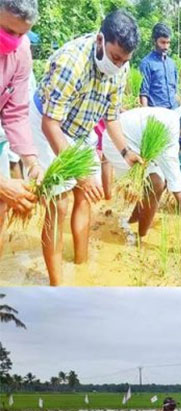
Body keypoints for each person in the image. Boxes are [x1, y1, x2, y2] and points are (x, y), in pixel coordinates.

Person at [33, 9, 141, 286]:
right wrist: (79, 172)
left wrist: (126, 152)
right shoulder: (72, 63)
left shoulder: (121, 69)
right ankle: (57, 286)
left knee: (85, 196)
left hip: (82, 129)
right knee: (59, 203)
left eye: (125, 60)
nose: (119, 66)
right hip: (49, 124)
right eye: (115, 58)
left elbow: (112, 116)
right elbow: (50, 125)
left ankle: (81, 266)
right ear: (100, 40)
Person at [105, 106, 181, 253]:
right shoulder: (169, 138)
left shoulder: (173, 123)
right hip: (117, 142)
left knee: (158, 182)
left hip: (131, 139)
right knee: (156, 183)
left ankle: (132, 221)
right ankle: (141, 240)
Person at [0, 0, 43, 253]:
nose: (14, 40)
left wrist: (32, 163)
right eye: (8, 30)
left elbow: (15, 113)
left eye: (21, 33)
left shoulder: (22, 50)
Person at [138, 23, 179, 109]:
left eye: (168, 43)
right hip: (156, 112)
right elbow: (144, 93)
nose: (166, 47)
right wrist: (146, 113)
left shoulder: (172, 64)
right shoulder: (146, 63)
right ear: (154, 41)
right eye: (162, 42)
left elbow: (175, 91)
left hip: (174, 109)